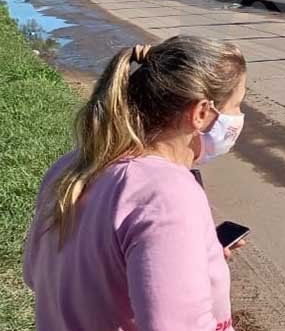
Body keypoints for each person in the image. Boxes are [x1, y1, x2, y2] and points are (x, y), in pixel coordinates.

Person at [23, 36, 248, 331]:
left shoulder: (72, 166)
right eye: (237, 104)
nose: (239, 116)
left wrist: (194, 258)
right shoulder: (166, 194)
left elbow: (35, 275)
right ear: (201, 113)